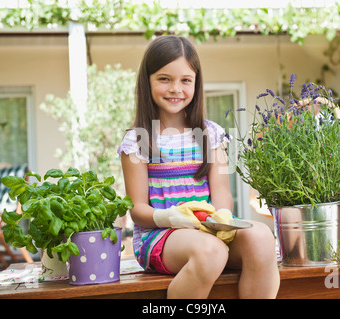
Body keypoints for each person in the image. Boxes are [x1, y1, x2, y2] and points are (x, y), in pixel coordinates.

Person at [118, 35, 280, 299]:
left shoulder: (211, 134)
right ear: (147, 81)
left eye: (185, 80)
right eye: (164, 79)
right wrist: (168, 217)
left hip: (209, 230)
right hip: (160, 237)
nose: (176, 89)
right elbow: (137, 210)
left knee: (261, 237)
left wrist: (223, 216)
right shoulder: (137, 140)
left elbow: (222, 194)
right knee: (211, 250)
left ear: (196, 83)